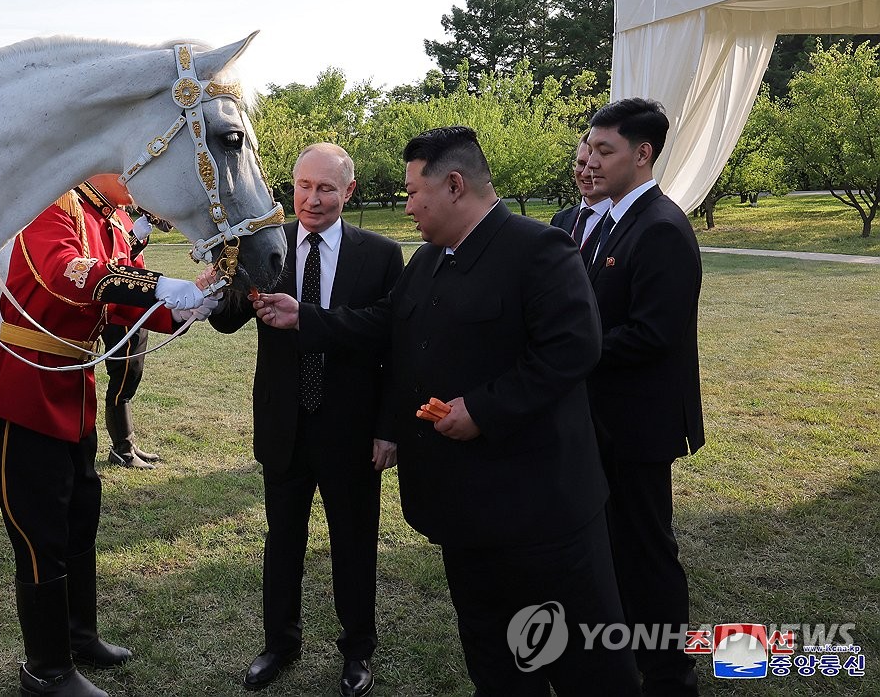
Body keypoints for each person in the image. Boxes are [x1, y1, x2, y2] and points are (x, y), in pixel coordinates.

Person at [254, 127, 640, 696]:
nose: (406, 207)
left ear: (454, 185)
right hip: (466, 511)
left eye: (413, 193)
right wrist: (305, 317)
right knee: (493, 655)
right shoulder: (431, 260)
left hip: (541, 514)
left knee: (585, 665)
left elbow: (572, 349)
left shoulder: (539, 250)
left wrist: (483, 409)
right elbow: (384, 324)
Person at [0, 175, 218, 697]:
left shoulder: (110, 220)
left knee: (80, 518)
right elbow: (66, 273)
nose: (136, 177)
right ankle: (45, 669)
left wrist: (195, 299)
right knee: (41, 535)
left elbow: (123, 300)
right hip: (25, 388)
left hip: (70, 387)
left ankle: (79, 638)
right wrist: (157, 285)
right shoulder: (49, 200)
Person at [209, 143, 403, 696]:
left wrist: (388, 428)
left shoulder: (382, 255)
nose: (311, 199)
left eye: (325, 188)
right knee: (283, 539)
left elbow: (388, 336)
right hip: (284, 426)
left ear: (349, 191)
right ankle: (279, 643)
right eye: (302, 187)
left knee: (354, 542)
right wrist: (219, 283)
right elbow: (227, 320)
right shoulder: (268, 247)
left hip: (352, 430)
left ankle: (357, 650)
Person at [582, 98, 704, 696]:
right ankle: (630, 651)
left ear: (643, 154)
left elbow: (654, 334)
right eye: (590, 148)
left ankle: (669, 675)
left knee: (647, 552)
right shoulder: (608, 219)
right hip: (602, 419)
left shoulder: (660, 228)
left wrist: (570, 347)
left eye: (605, 151)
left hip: (638, 424)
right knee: (613, 544)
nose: (592, 161)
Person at [101, 203, 170, 470]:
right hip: (121, 308)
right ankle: (122, 448)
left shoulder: (119, 214)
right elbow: (111, 262)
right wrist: (135, 237)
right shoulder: (108, 215)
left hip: (137, 304)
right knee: (124, 375)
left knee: (132, 375)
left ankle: (126, 442)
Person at [550, 132, 611, 266]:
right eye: (581, 163)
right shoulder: (559, 220)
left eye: (593, 166)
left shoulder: (620, 222)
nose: (585, 173)